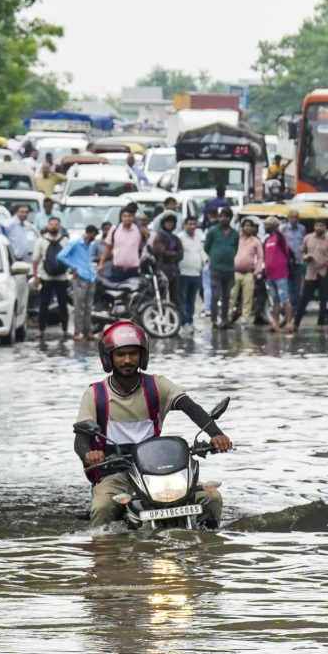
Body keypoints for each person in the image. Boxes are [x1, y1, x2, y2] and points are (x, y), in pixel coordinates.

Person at [74, 320, 232, 527]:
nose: (128, 360)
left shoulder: (157, 385)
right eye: (121, 354)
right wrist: (89, 454)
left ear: (143, 356)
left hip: (158, 470)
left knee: (212, 498)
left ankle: (209, 547)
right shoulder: (95, 394)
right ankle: (103, 554)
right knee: (102, 507)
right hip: (116, 473)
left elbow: (191, 407)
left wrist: (216, 434)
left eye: (133, 353)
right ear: (109, 358)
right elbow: (80, 438)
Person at [32, 215, 76, 346]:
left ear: (60, 226)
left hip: (62, 278)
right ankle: (41, 330)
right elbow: (35, 260)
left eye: (56, 224)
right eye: (52, 224)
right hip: (46, 278)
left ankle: (65, 330)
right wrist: (36, 277)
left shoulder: (66, 241)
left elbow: (71, 258)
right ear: (47, 225)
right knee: (43, 305)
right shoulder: (40, 241)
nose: (54, 227)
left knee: (63, 305)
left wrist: (73, 271)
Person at [297, 217, 328, 329]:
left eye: (321, 225)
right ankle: (295, 323)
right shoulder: (307, 238)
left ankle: (321, 324)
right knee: (304, 298)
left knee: (324, 298)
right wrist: (305, 257)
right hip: (310, 272)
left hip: (324, 271)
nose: (319, 228)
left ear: (325, 227)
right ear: (314, 227)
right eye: (317, 225)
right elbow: (301, 252)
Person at [201, 207, 239, 329]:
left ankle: (224, 320)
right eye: (222, 216)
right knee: (215, 295)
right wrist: (214, 256)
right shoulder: (212, 231)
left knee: (227, 295)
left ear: (230, 218)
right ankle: (214, 320)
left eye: (227, 216)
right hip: (215, 267)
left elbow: (236, 248)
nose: (224, 218)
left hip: (229, 268)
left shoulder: (234, 234)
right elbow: (206, 247)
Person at [231, 218, 266, 329]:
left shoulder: (256, 241)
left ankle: (245, 320)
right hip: (235, 272)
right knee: (232, 296)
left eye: (250, 226)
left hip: (249, 273)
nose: (248, 228)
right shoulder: (237, 239)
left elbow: (261, 257)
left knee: (248, 297)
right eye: (246, 226)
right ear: (242, 227)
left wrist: (257, 270)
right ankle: (227, 317)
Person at [261, 215, 295, 325]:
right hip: (270, 275)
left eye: (267, 224)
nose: (265, 226)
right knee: (274, 301)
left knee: (285, 299)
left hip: (281, 274)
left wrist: (275, 226)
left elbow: (280, 235)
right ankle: (275, 322)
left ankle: (289, 322)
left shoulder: (280, 238)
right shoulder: (267, 240)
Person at [176, 214, 206, 328]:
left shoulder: (199, 237)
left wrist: (205, 261)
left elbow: (201, 252)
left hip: (196, 273)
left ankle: (190, 321)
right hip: (184, 273)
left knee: (192, 299)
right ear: (185, 225)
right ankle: (183, 322)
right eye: (190, 224)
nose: (192, 226)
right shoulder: (180, 237)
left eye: (194, 224)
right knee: (183, 299)